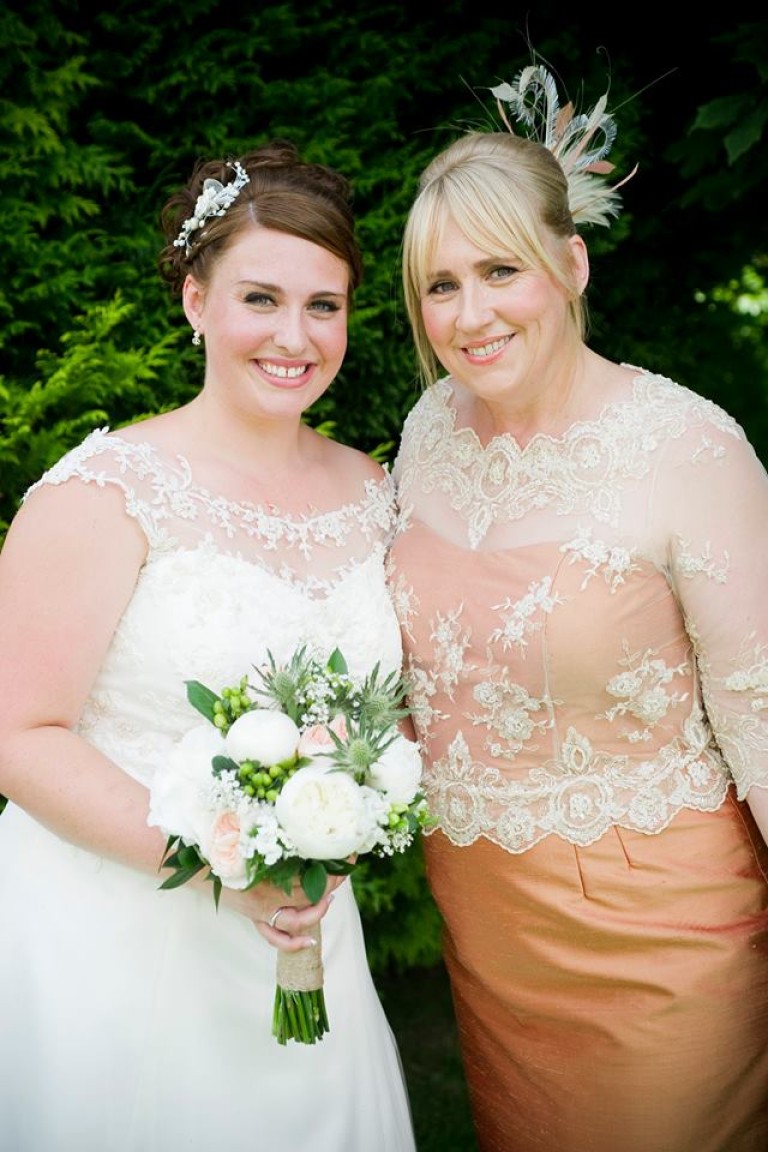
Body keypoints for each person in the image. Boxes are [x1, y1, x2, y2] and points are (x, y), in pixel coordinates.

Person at [0, 139, 416, 1152]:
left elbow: (391, 711)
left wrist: (348, 811)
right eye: (260, 299)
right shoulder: (101, 494)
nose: (296, 335)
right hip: (122, 944)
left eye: (325, 305)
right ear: (195, 301)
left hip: (309, 930)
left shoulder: (374, 493)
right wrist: (225, 869)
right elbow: (20, 733)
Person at [387, 61, 768, 1152]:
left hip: (663, 936)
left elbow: (763, 707)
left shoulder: (687, 444)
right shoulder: (426, 432)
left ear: (572, 262)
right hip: (492, 931)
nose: (469, 314)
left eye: (499, 270)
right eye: (440, 285)